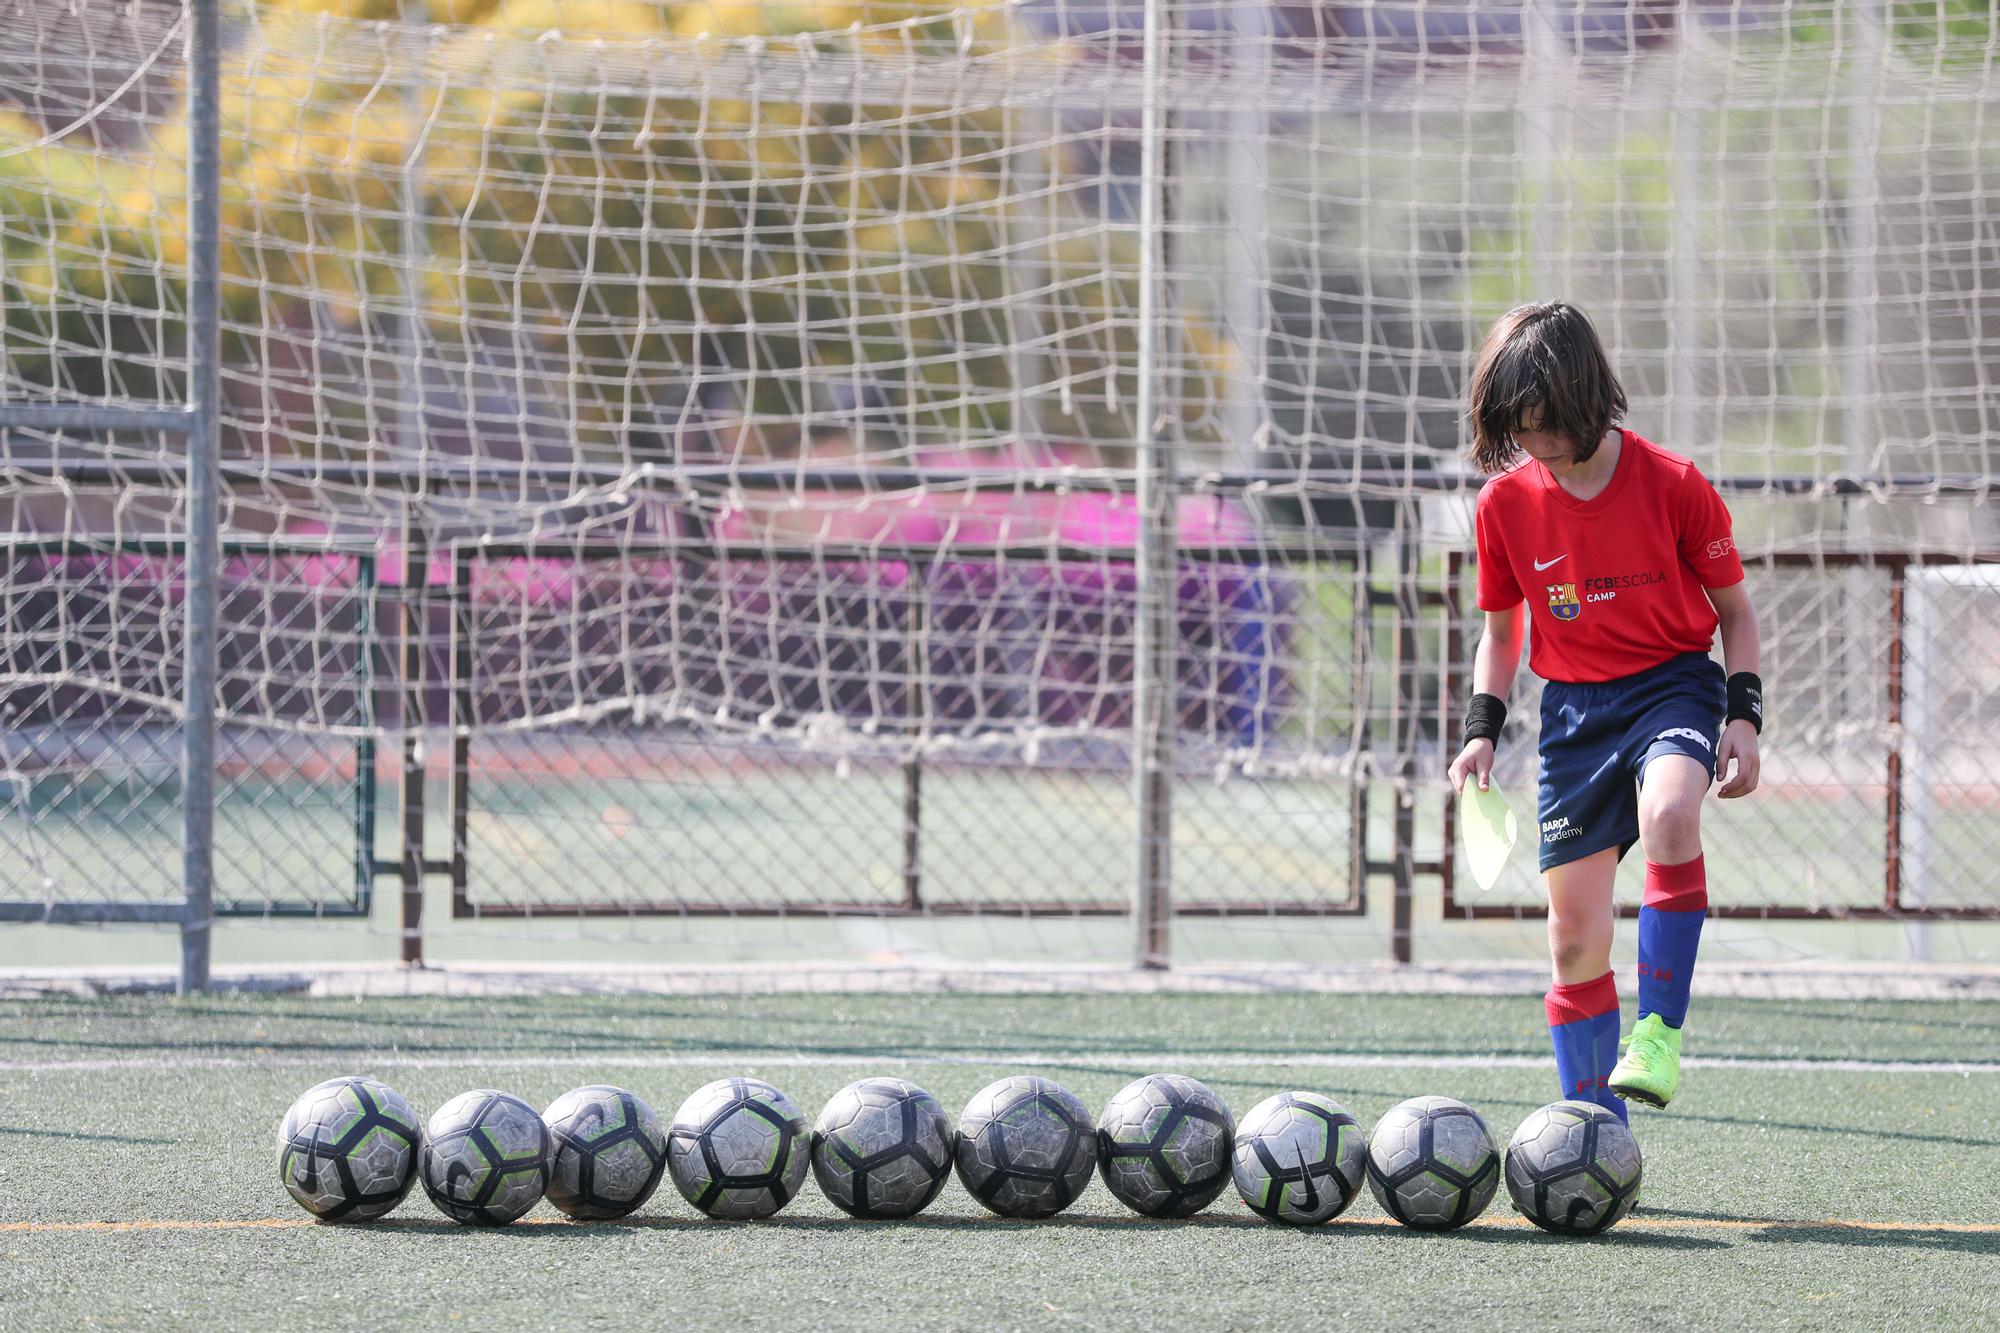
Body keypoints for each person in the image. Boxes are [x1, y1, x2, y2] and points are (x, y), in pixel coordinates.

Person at [1447, 302, 1764, 1118]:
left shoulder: (1675, 484)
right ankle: (1595, 1133)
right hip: (1574, 719)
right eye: (1518, 425)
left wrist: (1743, 715)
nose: (1535, 439)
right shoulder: (1504, 505)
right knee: (1573, 940)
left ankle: (1658, 1032)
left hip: (1672, 687)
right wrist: (1482, 729)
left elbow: (1737, 611)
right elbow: (1500, 631)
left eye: (1545, 420)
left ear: (1585, 396)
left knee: (1668, 814)